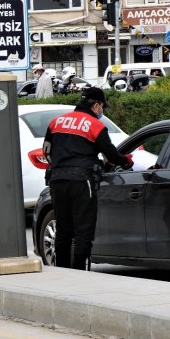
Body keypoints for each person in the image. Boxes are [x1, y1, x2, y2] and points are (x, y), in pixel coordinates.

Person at [43, 87, 133, 270]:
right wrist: (125, 162)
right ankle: (79, 272)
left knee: (63, 230)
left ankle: (61, 271)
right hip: (82, 181)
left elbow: (47, 152)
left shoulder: (55, 122)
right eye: (102, 108)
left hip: (57, 180)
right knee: (83, 229)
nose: (102, 111)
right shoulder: (95, 125)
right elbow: (111, 155)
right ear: (96, 105)